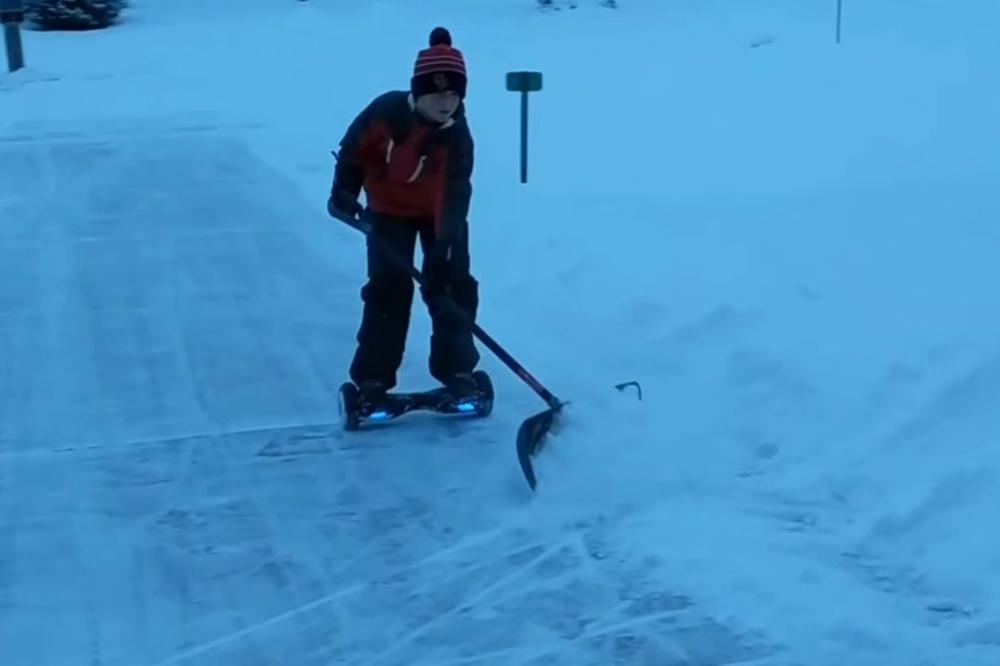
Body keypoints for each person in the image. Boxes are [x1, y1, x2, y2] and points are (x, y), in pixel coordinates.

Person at [328, 26, 480, 404]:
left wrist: (443, 248)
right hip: (387, 212)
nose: (447, 102)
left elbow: (455, 193)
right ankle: (373, 380)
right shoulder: (386, 112)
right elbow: (353, 150)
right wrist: (345, 190)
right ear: (418, 92)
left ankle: (458, 369)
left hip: (437, 215)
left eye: (454, 94)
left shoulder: (457, 136)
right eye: (437, 93)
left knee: (452, 287)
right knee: (388, 291)